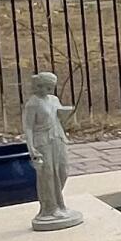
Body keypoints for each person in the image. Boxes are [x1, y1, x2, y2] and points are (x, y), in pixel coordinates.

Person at [23, 71, 79, 231]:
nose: (45, 90)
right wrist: (31, 148)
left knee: (63, 170)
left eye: (49, 87)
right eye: (42, 86)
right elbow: (28, 127)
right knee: (47, 174)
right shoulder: (33, 103)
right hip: (42, 141)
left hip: (57, 137)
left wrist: (65, 114)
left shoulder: (54, 100)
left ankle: (58, 203)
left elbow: (59, 117)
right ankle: (49, 209)